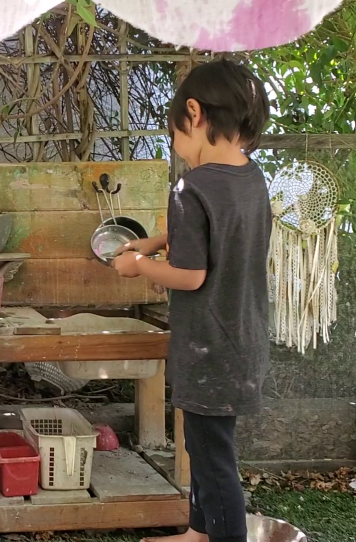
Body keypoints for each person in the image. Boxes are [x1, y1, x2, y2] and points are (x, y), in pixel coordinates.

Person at [112, 59, 272, 542]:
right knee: (205, 449)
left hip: (206, 346)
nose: (177, 149)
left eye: (175, 136)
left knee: (214, 462)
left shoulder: (191, 186)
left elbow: (190, 274)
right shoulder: (251, 178)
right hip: (243, 340)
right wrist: (157, 240)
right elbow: (213, 233)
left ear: (195, 114)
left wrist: (137, 266)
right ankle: (198, 533)